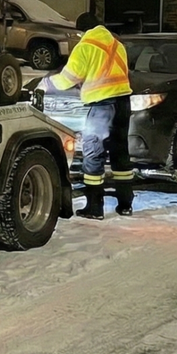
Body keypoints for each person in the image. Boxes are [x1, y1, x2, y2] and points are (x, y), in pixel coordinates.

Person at [42, 12, 134, 219]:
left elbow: (69, 79)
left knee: (94, 155)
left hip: (101, 106)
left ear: (81, 30)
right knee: (120, 152)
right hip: (123, 104)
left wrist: (48, 83)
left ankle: (94, 207)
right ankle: (125, 204)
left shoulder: (85, 46)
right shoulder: (117, 45)